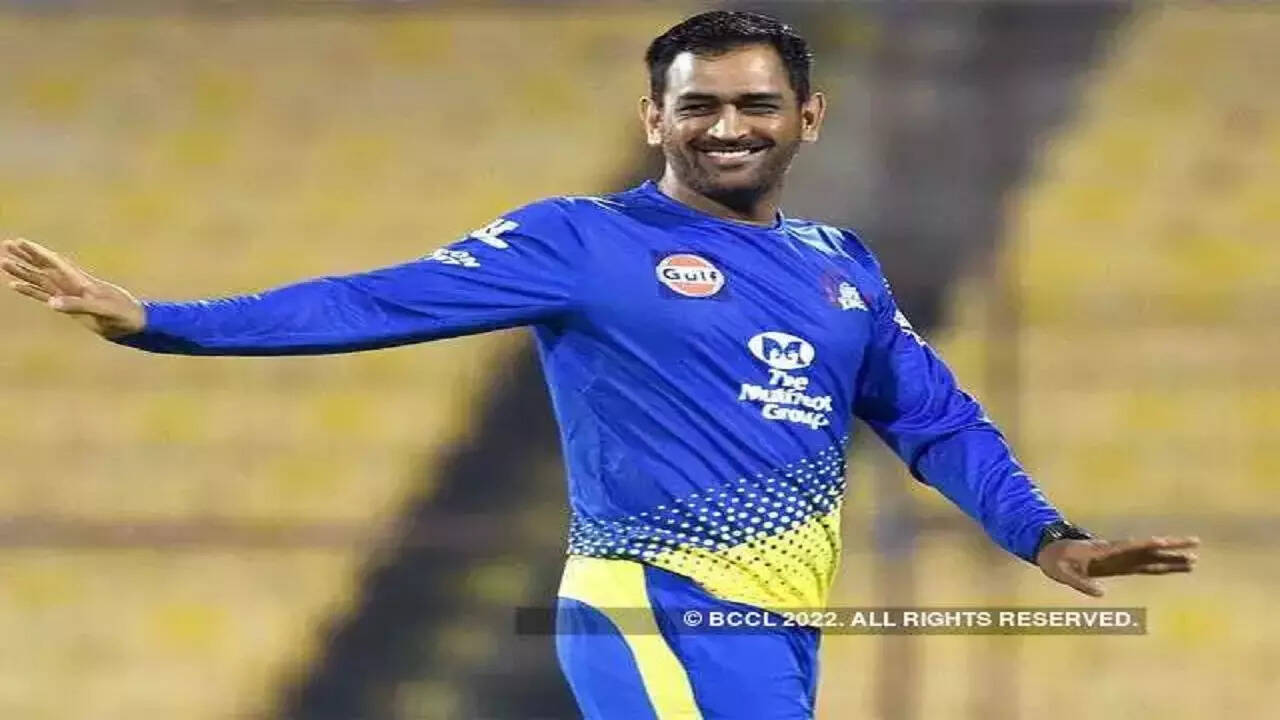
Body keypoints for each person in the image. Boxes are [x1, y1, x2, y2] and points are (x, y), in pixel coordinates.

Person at [2, 10, 1198, 720]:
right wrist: (160, 318)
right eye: (697, 105)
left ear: (807, 118)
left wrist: (1043, 536)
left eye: (754, 104)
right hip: (649, 603)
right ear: (652, 121)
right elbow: (376, 298)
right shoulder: (580, 240)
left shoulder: (839, 267)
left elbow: (934, 418)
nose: (725, 126)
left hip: (777, 624)